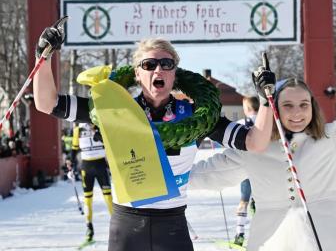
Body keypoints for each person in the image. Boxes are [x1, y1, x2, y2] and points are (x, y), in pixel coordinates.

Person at [32, 23, 275, 251]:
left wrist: (265, 100)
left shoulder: (196, 116)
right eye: (149, 65)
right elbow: (47, 103)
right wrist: (43, 57)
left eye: (166, 64)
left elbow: (255, 142)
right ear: (136, 74)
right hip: (127, 226)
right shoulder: (112, 111)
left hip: (172, 226)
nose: (158, 69)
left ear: (174, 74)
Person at [189, 53, 336, 251]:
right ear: (274, 107)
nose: (297, 113)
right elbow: (204, 176)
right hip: (272, 239)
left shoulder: (333, 138)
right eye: (288, 106)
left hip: (328, 238)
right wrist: (165, 167)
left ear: (312, 107)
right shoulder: (253, 148)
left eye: (304, 104)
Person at [69, 122, 113, 243]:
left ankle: (116, 226)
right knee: (87, 199)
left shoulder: (98, 124)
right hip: (86, 167)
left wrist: (96, 131)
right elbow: (74, 148)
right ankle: (89, 228)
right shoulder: (78, 129)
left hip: (100, 165)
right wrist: (71, 165)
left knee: (108, 197)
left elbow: (107, 141)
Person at [234, 96, 259, 246]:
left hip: (247, 169)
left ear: (248, 108)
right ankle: (258, 232)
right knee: (261, 202)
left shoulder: (241, 123)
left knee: (244, 201)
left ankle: (240, 234)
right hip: (264, 169)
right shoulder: (267, 123)